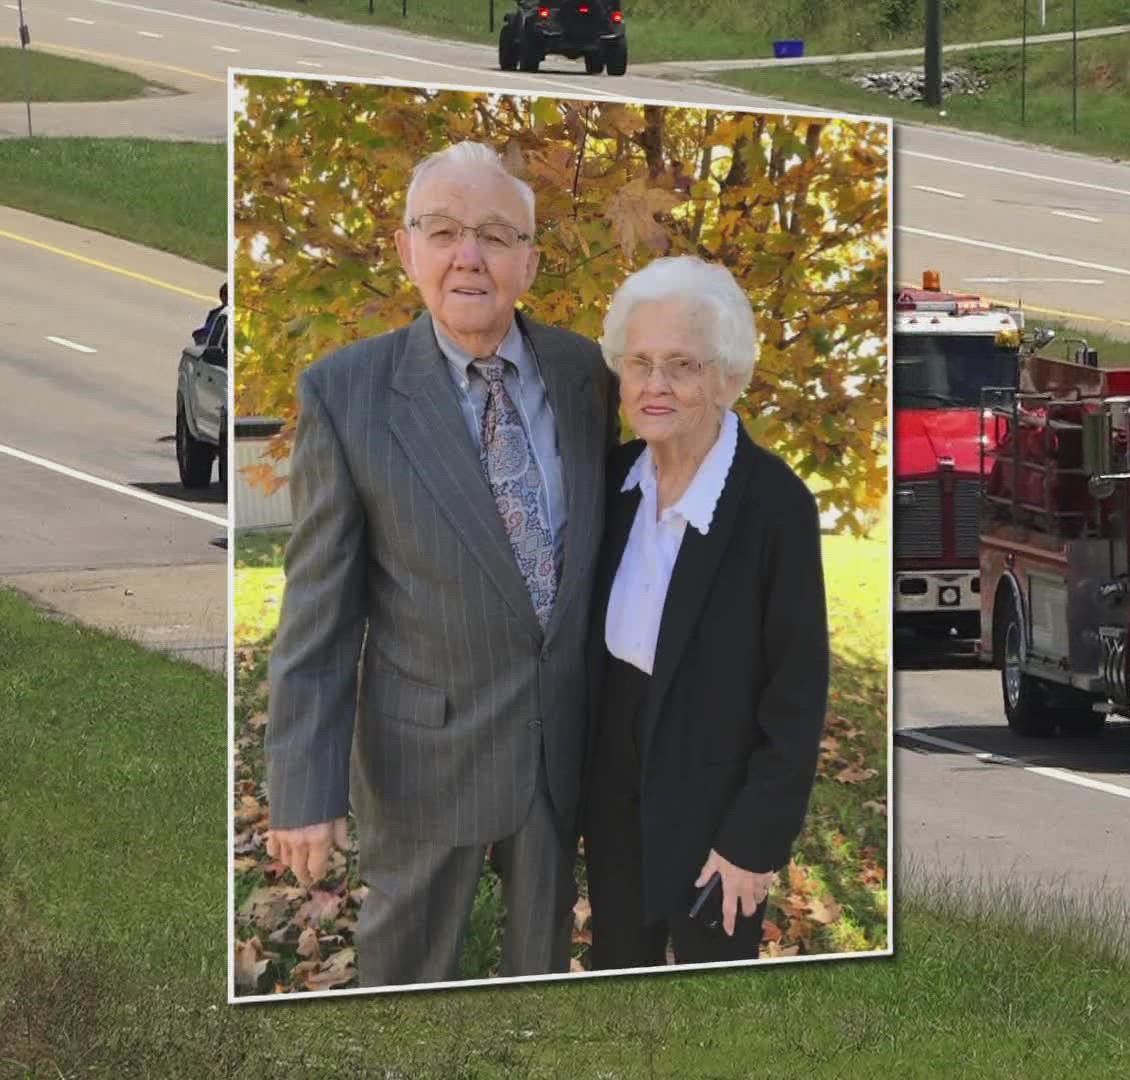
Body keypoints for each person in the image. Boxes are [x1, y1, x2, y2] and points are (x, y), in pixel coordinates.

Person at [263, 140, 616, 988]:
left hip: (562, 746)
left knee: (540, 985)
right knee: (408, 990)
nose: (469, 256)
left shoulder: (587, 376)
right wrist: (305, 791)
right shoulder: (346, 394)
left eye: (495, 235)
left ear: (528, 260)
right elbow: (320, 612)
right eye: (445, 230)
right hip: (423, 753)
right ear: (406, 248)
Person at [582, 255, 831, 969]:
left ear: (728, 378)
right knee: (618, 976)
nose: (655, 386)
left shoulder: (774, 506)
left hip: (717, 803)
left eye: (682, 365)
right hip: (615, 790)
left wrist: (753, 841)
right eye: (640, 363)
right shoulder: (613, 481)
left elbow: (796, 694)